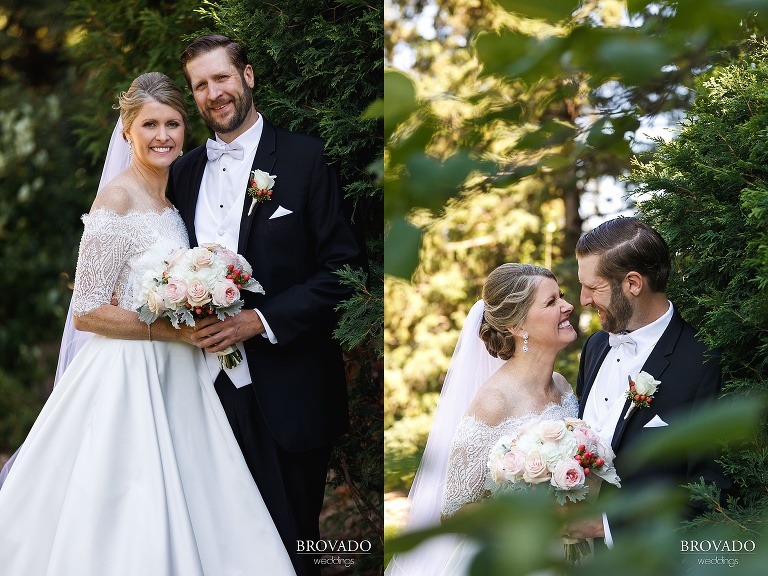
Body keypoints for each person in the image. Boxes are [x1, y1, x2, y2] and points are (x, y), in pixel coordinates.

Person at [0, 72, 295, 575]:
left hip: (182, 372)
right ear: (127, 131)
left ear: (185, 129)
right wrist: (167, 329)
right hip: (128, 374)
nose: (163, 136)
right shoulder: (116, 199)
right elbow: (87, 309)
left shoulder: (173, 198)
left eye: (173, 124)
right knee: (130, 499)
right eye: (150, 124)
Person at [166, 35, 362, 576]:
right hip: (202, 394)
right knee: (221, 547)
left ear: (247, 76)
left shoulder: (305, 158)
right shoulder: (182, 175)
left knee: (295, 548)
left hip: (290, 390)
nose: (214, 93)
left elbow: (342, 270)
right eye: (201, 85)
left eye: (221, 78)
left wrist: (259, 320)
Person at [385, 263, 579, 575]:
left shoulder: (562, 385)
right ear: (517, 326)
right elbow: (454, 511)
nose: (568, 306)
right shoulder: (494, 402)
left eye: (562, 296)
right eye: (551, 301)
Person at [573, 216, 730, 545]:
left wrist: (607, 527)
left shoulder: (703, 361)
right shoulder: (595, 346)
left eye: (594, 287)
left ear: (632, 283)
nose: (583, 299)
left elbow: (712, 492)